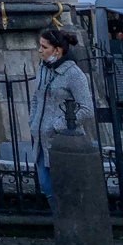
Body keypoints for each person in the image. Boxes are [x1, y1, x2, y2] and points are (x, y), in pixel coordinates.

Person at [29, 27, 94, 208]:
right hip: (41, 141)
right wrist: (33, 121)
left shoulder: (74, 74)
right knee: (47, 188)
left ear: (57, 50)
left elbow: (87, 109)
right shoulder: (43, 68)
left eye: (44, 47)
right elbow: (36, 97)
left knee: (65, 191)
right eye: (40, 46)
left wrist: (58, 125)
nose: (40, 50)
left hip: (62, 143)